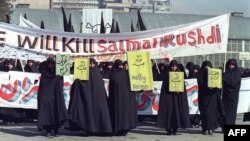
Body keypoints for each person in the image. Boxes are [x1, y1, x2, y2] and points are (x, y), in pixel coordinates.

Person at [67, 58, 112, 135]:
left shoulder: (97, 73)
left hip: (98, 98)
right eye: (90, 63)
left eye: (93, 64)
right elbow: (83, 85)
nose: (91, 65)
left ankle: (100, 129)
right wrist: (77, 82)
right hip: (88, 97)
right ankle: (89, 129)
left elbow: (100, 86)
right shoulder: (84, 73)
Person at [157, 60, 190, 135]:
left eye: (175, 66)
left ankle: (175, 129)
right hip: (168, 97)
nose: (173, 68)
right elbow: (164, 87)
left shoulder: (179, 75)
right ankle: (168, 129)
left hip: (177, 98)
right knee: (169, 113)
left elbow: (182, 86)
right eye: (172, 66)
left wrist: (179, 90)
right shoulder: (166, 74)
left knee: (176, 113)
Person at [37, 57, 68, 138]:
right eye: (49, 64)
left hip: (56, 96)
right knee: (48, 114)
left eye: (52, 64)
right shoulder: (44, 73)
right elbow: (43, 86)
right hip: (47, 97)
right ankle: (48, 131)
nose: (50, 65)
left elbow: (60, 84)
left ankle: (56, 131)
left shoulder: (58, 73)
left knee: (57, 113)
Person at [108, 59, 137, 136]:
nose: (120, 66)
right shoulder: (113, 74)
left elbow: (129, 84)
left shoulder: (124, 74)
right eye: (119, 65)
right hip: (115, 99)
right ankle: (116, 129)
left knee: (124, 115)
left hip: (124, 99)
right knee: (116, 114)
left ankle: (124, 129)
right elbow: (112, 85)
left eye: (121, 65)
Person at [197, 60, 222, 135]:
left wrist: (215, 87)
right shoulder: (200, 74)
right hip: (203, 96)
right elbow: (200, 84)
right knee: (204, 113)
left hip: (212, 96)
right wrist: (207, 87)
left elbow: (218, 84)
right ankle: (205, 128)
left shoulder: (215, 73)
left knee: (212, 113)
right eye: (205, 66)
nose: (207, 68)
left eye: (208, 66)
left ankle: (210, 128)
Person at [222, 59, 241, 127]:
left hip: (233, 96)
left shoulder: (237, 73)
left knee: (231, 112)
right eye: (229, 64)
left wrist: (225, 80)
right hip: (226, 95)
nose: (231, 66)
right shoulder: (226, 72)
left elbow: (233, 83)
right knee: (224, 111)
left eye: (232, 65)